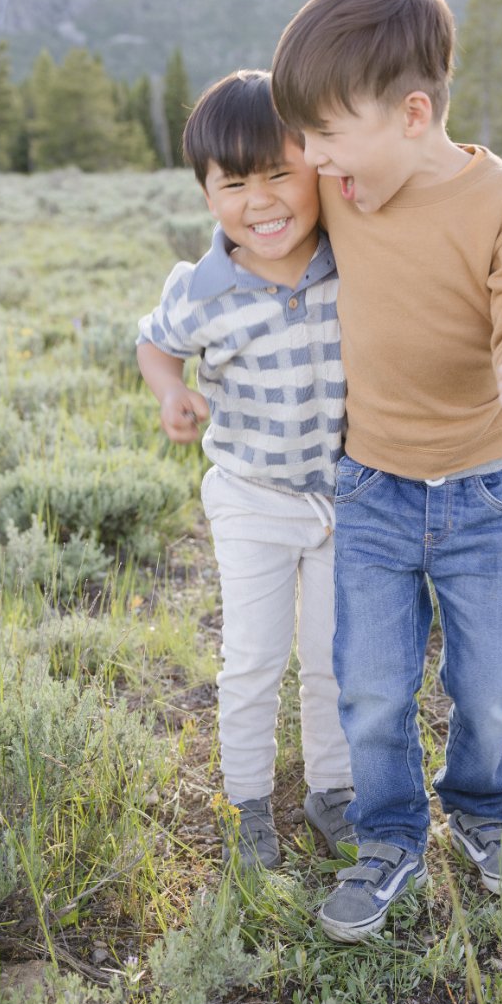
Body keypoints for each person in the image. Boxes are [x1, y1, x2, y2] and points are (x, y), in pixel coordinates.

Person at [271, 0, 502, 941]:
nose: (313, 161)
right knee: (371, 684)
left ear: (410, 114)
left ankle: (481, 812)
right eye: (304, 142)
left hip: (483, 492)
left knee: (487, 683)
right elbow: (261, 221)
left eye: (326, 136)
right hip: (372, 490)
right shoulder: (342, 185)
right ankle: (388, 837)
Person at [136, 69, 354, 870]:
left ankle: (334, 790)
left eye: (280, 174)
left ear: (319, 172)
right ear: (207, 194)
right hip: (251, 498)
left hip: (341, 500)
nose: (261, 201)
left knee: (336, 658)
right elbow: (155, 343)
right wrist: (171, 391)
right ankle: (248, 799)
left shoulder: (345, 257)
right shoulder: (203, 289)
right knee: (255, 657)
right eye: (234, 184)